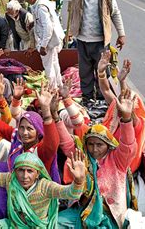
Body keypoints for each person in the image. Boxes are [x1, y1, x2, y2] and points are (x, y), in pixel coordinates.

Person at [0, 129, 86, 228]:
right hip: (13, 226)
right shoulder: (11, 179)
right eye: (21, 170)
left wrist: (79, 180)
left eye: (30, 171)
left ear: (38, 174)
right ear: (15, 171)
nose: (25, 176)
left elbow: (70, 193)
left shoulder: (45, 186)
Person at [0, 81, 62, 218]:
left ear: (38, 132)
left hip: (34, 194)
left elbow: (53, 143)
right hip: (17, 182)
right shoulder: (17, 138)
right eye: (22, 128)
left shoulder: (42, 151)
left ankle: (5, 217)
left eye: (30, 129)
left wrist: (47, 112)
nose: (24, 133)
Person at [57, 90, 138, 228]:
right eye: (90, 144)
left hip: (111, 215)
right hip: (82, 211)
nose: (94, 149)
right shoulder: (83, 156)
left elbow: (128, 145)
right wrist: (53, 116)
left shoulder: (118, 159)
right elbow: (66, 144)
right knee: (55, 222)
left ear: (108, 145)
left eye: (99, 145)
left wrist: (126, 118)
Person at [58, 0, 126, 103]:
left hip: (101, 42)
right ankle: (88, 100)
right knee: (85, 73)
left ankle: (102, 100)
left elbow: (115, 13)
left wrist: (121, 34)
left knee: (102, 73)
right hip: (82, 41)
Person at [24, 0, 65, 88]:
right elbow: (42, 21)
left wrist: (43, 45)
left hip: (49, 40)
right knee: (54, 63)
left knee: (48, 66)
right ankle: (59, 85)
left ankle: (53, 89)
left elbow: (48, 27)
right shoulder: (41, 1)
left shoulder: (41, 7)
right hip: (51, 39)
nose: (26, 1)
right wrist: (34, 23)